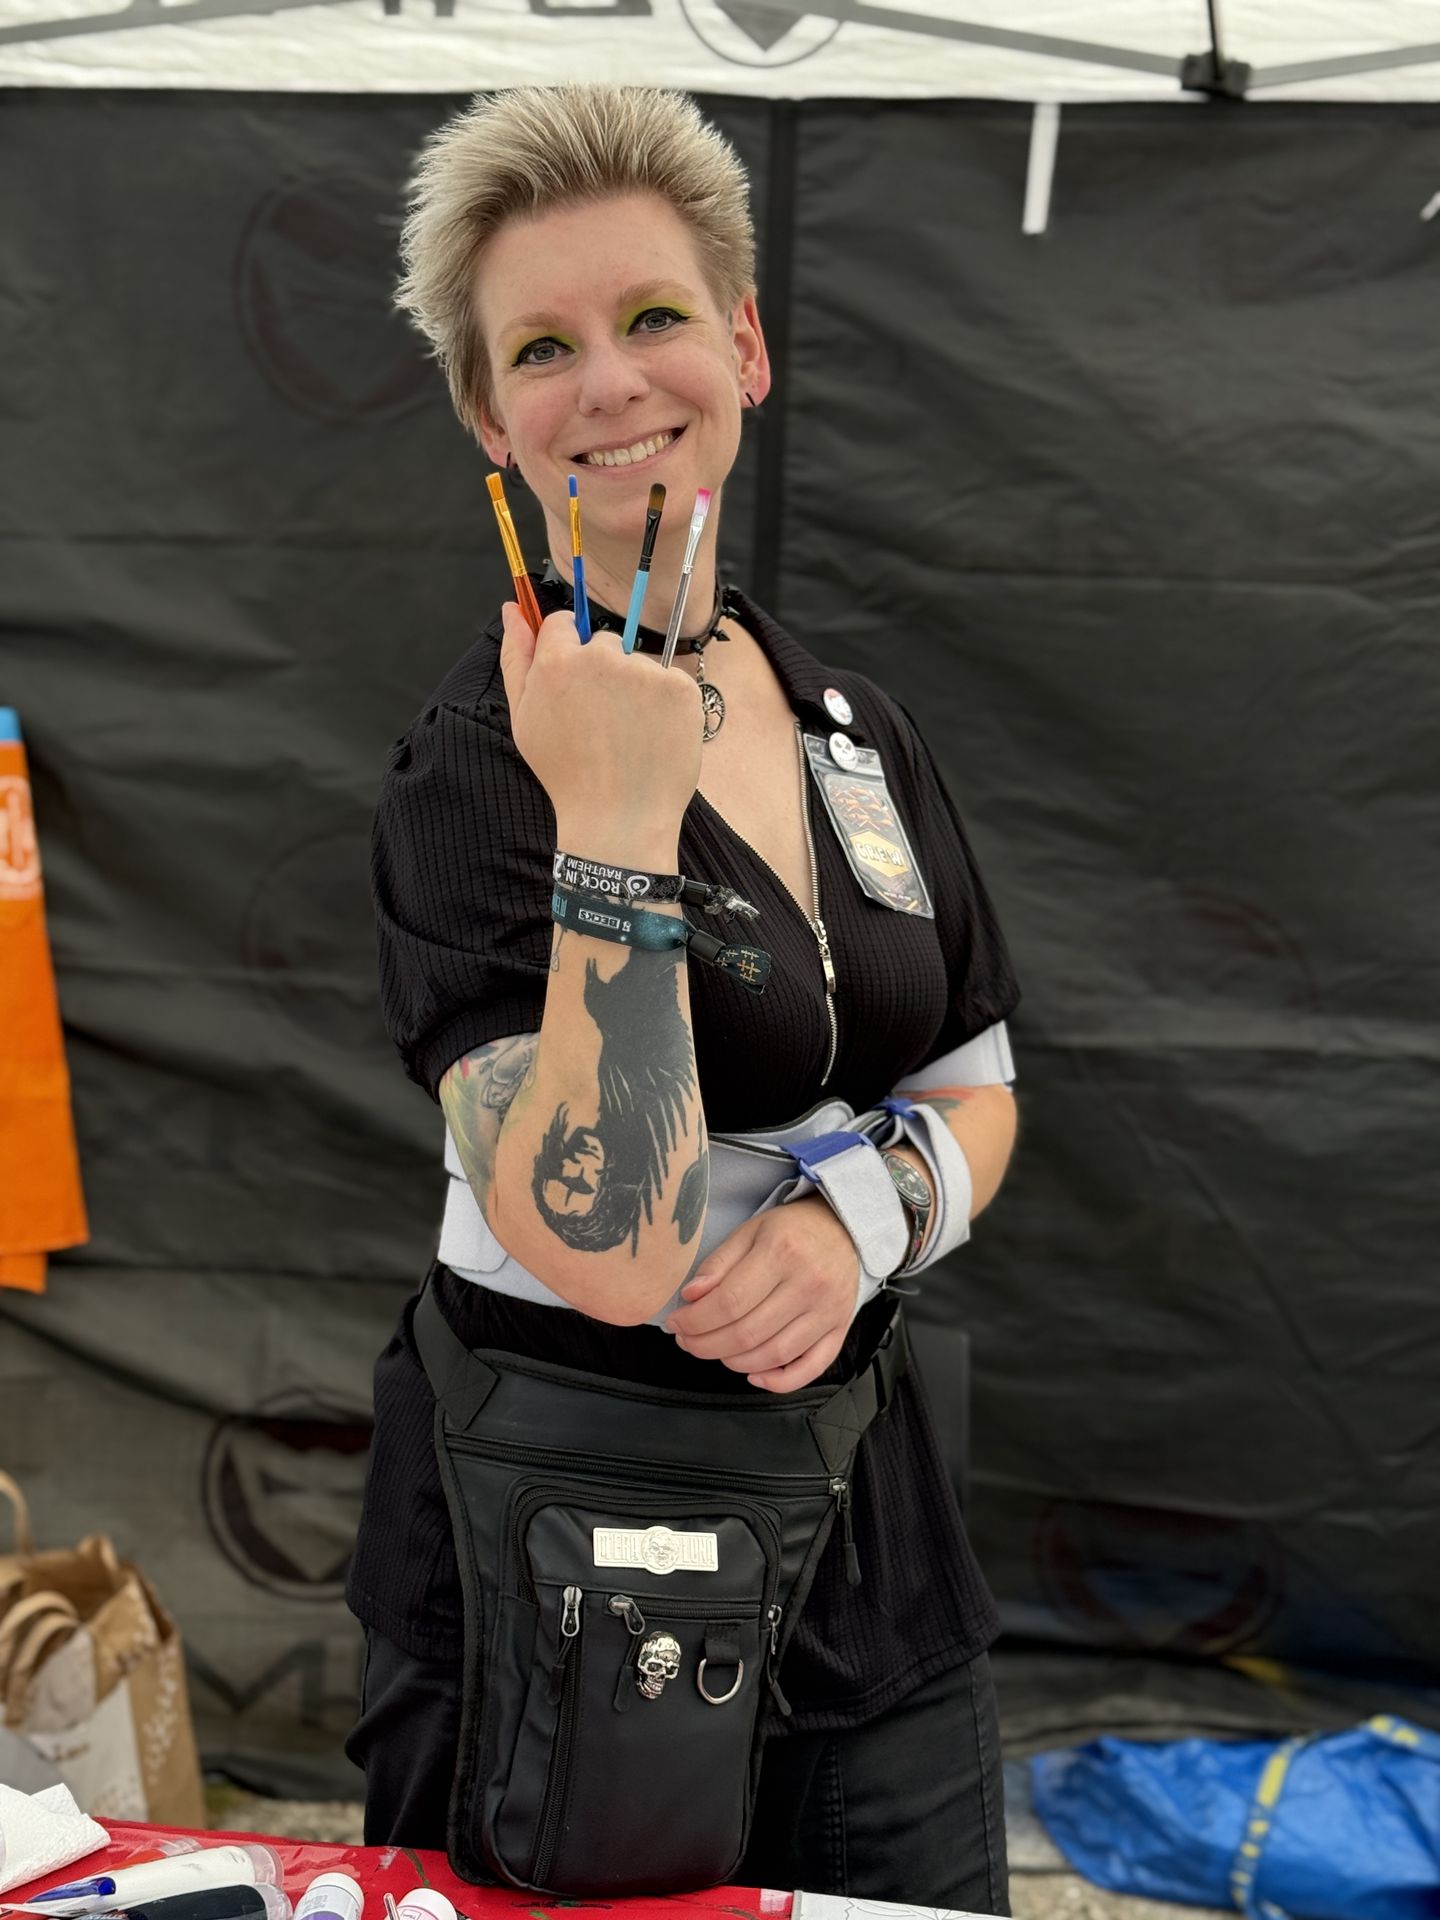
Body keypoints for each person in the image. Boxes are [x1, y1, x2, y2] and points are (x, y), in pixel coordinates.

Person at [346, 83, 1021, 1915]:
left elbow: (978, 1083)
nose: (612, 383)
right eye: (540, 348)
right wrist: (620, 821)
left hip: (866, 1548)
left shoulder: (853, 728)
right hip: (556, 1561)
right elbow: (610, 1244)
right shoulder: (472, 772)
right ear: (488, 417)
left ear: (745, 348)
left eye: (654, 317)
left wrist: (857, 1220)